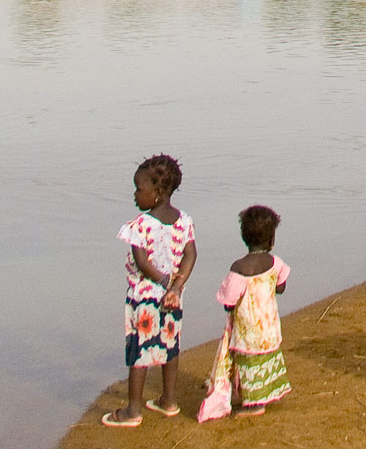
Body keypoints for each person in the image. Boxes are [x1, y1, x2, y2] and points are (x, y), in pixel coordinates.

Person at [103, 154, 197, 426]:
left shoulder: (139, 226)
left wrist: (164, 281)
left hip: (144, 298)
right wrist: (177, 285)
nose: (135, 195)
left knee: (139, 352)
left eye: (138, 189)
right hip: (172, 298)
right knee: (170, 345)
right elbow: (191, 255)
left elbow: (143, 263)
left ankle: (133, 410)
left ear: (156, 193)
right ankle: (168, 400)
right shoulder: (184, 220)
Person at [198, 206, 292, 421]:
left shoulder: (240, 268)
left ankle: (254, 404)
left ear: (244, 237)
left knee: (249, 363)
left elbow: (228, 301)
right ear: (271, 239)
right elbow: (281, 287)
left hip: (248, 328)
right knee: (266, 357)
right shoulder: (275, 263)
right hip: (268, 325)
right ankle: (266, 394)